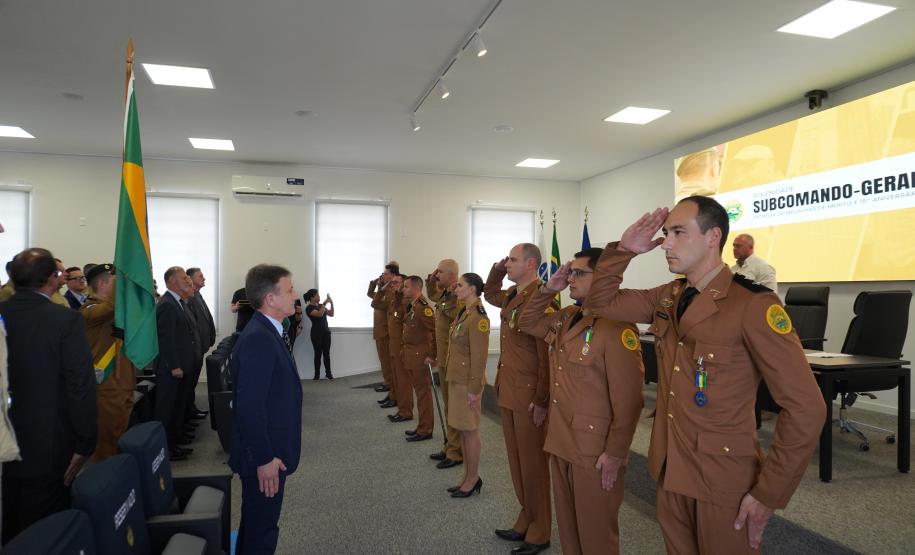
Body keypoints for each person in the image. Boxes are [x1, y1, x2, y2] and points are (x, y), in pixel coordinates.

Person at [583, 196, 826, 552]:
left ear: (713, 237)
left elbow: (807, 408)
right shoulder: (668, 296)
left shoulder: (752, 304)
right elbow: (599, 303)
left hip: (722, 478)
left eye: (678, 232)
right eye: (666, 233)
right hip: (670, 466)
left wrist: (769, 493)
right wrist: (623, 251)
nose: (666, 243)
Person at [520, 248, 644, 554]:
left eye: (578, 273)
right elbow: (527, 322)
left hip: (593, 449)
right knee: (570, 531)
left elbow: (629, 400)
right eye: (569, 272)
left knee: (595, 535)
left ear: (601, 277)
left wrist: (616, 453)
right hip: (560, 438)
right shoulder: (567, 317)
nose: (570, 278)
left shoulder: (617, 326)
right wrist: (548, 289)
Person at [0, 248, 96, 544]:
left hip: (6, 437)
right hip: (49, 442)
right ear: (52, 279)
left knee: (9, 517)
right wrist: (85, 441)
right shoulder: (65, 320)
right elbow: (79, 385)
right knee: (47, 529)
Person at [229, 264, 303, 555]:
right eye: (289, 290)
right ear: (270, 299)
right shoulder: (259, 338)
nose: (295, 295)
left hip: (270, 450)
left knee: (257, 525)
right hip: (265, 457)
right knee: (261, 531)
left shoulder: (268, 331)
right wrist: (264, 459)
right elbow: (249, 407)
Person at [484, 243, 552, 555]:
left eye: (512, 260)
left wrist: (542, 398)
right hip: (509, 389)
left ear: (531, 263)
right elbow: (489, 294)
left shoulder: (542, 298)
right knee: (516, 461)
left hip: (528, 395)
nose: (507, 263)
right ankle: (527, 516)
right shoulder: (512, 294)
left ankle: (540, 530)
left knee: (533, 465)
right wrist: (497, 270)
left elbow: (545, 355)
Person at [80, 263, 137, 461]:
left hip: (123, 380)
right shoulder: (89, 309)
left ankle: (118, 472)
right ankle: (105, 475)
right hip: (107, 382)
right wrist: (123, 278)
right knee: (107, 440)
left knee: (120, 435)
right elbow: (110, 307)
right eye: (114, 281)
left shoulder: (114, 309)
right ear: (103, 284)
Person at [443, 272, 489, 498]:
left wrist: (474, 390)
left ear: (472, 289)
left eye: (460, 285)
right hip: (457, 378)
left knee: (470, 431)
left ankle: (473, 479)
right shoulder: (465, 311)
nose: (456, 288)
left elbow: (479, 358)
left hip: (467, 383)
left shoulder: (478, 317)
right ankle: (467, 476)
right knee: (462, 428)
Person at [154, 267, 198, 461]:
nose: (188, 280)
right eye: (184, 277)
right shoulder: (167, 304)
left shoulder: (178, 302)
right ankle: (167, 448)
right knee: (168, 410)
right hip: (170, 369)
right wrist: (174, 365)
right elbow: (166, 339)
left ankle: (175, 440)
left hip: (181, 365)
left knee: (177, 407)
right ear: (172, 282)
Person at [426, 259, 464, 469]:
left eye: (439, 272)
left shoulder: (458, 296)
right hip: (444, 358)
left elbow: (457, 317)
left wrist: (450, 293)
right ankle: (450, 445)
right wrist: (432, 280)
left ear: (451, 275)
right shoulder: (445, 295)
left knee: (455, 408)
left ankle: (456, 451)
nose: (436, 274)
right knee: (449, 406)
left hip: (454, 361)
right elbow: (433, 294)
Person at [400, 276, 436, 442]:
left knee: (423, 395)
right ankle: (422, 426)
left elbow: (435, 331)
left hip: (421, 358)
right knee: (420, 394)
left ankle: (425, 429)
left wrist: (432, 355)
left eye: (406, 286)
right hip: (412, 356)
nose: (403, 289)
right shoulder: (413, 305)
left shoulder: (423, 308)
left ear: (416, 288)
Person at [186, 268, 215, 421]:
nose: (204, 278)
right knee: (189, 384)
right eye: (200, 276)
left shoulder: (198, 295)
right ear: (190, 279)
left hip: (200, 348)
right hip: (193, 349)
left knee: (192, 383)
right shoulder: (190, 298)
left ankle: (191, 409)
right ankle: (188, 412)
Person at [368, 263, 399, 396]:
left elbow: (375, 303)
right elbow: (370, 294)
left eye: (386, 274)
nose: (383, 276)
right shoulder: (384, 290)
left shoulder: (391, 292)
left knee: (387, 361)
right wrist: (374, 283)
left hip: (385, 332)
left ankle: (390, 384)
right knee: (383, 360)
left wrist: (381, 288)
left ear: (393, 275)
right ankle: (388, 382)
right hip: (379, 330)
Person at [385, 275, 412, 422]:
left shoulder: (406, 303)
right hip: (393, 346)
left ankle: (406, 411)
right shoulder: (397, 300)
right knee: (396, 380)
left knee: (403, 382)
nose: (392, 284)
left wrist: (403, 347)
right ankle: (401, 408)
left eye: (396, 282)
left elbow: (408, 328)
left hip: (401, 348)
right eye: (392, 282)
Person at [304, 289, 334, 380]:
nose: (319, 297)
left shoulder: (321, 306)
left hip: (326, 333)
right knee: (318, 354)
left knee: (326, 354)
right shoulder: (309, 308)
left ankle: (328, 374)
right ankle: (316, 375)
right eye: (317, 295)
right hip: (316, 334)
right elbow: (319, 314)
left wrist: (331, 303)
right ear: (312, 297)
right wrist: (325, 303)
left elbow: (331, 314)